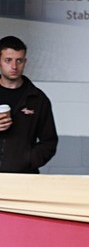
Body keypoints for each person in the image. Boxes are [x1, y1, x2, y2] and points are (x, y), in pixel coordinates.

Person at [0, 35, 58, 173]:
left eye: (19, 60)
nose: (14, 66)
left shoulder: (37, 99)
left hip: (24, 178)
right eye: (8, 60)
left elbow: (49, 141)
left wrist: (27, 161)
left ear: (25, 62)